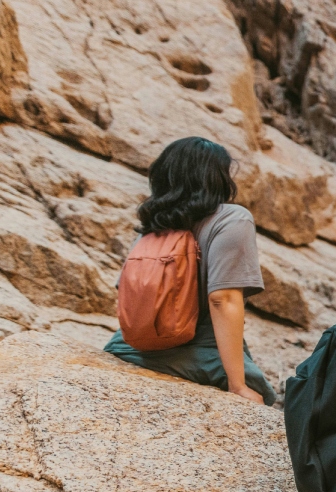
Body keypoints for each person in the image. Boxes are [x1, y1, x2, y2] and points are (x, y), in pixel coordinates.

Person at [105, 137, 274, 405]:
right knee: (263, 394)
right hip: (197, 352)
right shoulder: (231, 218)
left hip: (124, 347)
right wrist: (238, 385)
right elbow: (223, 299)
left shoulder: (154, 225)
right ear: (218, 177)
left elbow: (126, 294)